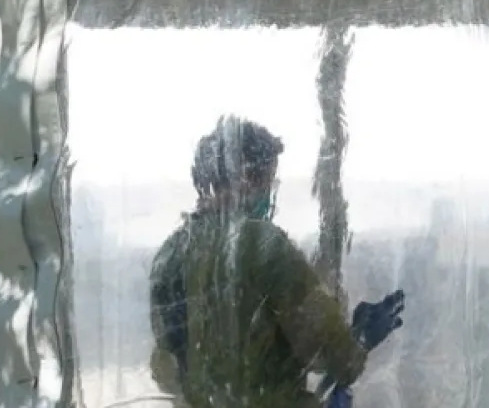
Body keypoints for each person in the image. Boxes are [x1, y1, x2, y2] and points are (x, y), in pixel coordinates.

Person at [147, 116, 404, 408]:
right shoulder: (262, 245)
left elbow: (165, 368)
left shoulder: (169, 256)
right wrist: (360, 337)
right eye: (268, 182)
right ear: (246, 178)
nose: (269, 196)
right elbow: (334, 356)